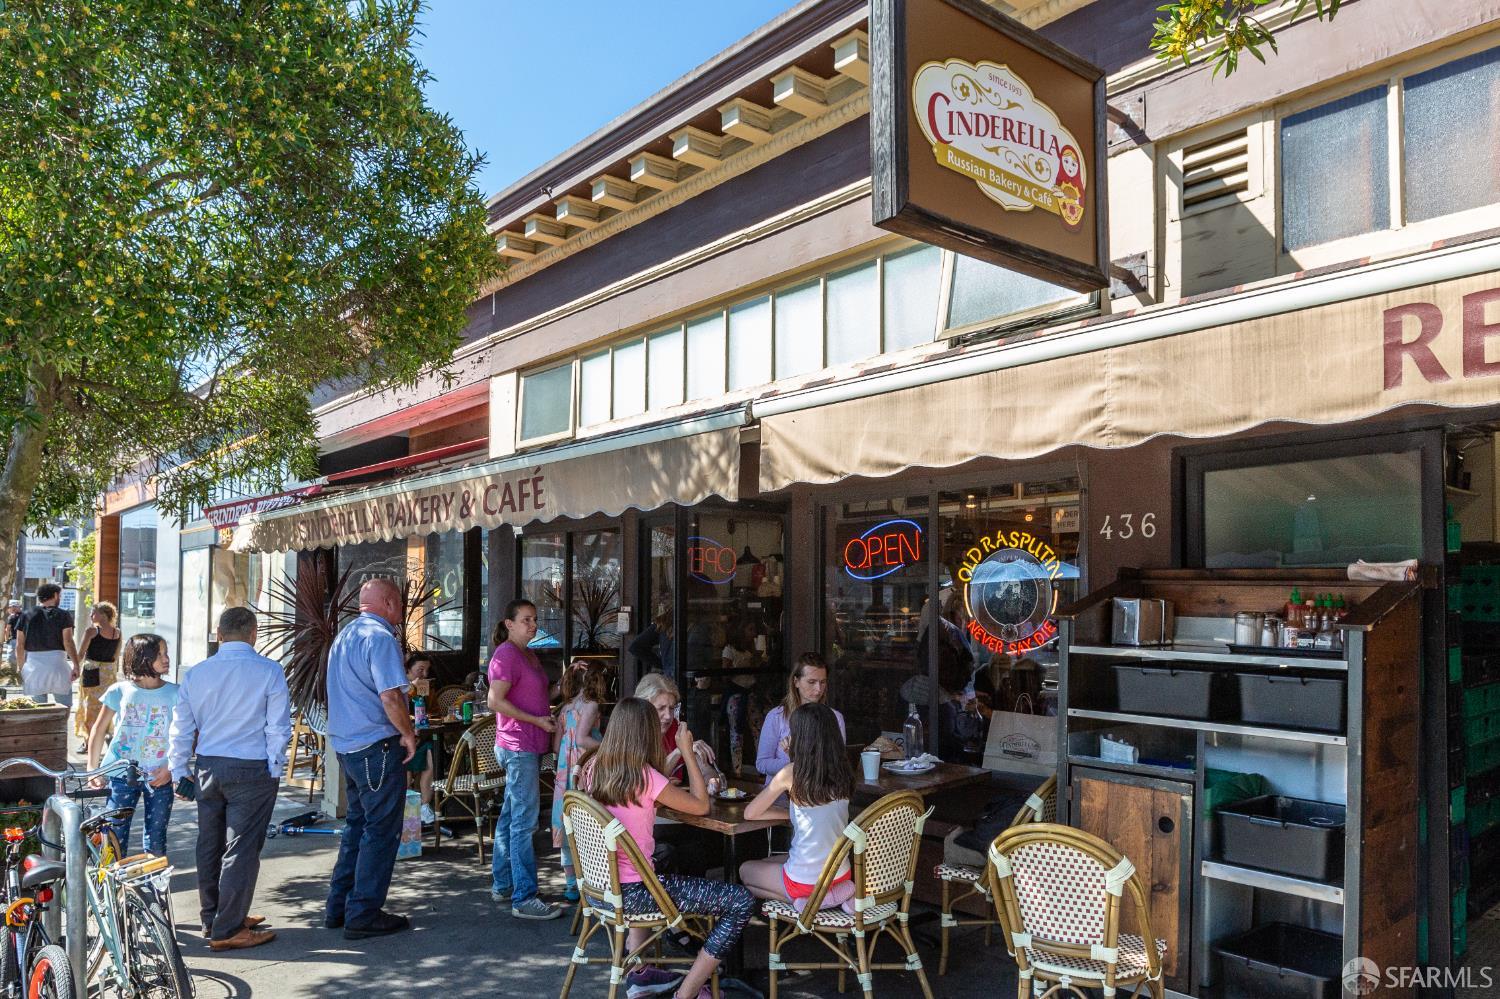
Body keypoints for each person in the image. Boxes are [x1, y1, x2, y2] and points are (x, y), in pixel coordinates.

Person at [581, 697, 754, 999]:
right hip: (637, 894)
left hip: (601, 892)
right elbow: (700, 805)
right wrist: (686, 751)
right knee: (739, 901)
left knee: (660, 859)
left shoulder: (596, 769)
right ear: (647, 734)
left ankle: (640, 974)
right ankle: (686, 992)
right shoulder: (645, 777)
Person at [166, 607, 289, 951]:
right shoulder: (269, 671)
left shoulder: (196, 674)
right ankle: (229, 927)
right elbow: (278, 727)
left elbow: (181, 727)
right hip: (252, 767)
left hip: (208, 765)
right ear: (254, 634)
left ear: (218, 634)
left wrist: (179, 770)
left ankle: (214, 918)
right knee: (242, 847)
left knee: (210, 842)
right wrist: (275, 767)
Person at [323, 578, 417, 939]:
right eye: (401, 604)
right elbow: (390, 696)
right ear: (391, 603)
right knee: (380, 830)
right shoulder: (380, 638)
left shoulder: (346, 635)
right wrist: (408, 734)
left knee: (358, 826)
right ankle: (363, 911)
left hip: (347, 744)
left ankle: (340, 905)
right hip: (374, 745)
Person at [739, 703, 856, 913]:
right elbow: (813, 807)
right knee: (768, 861)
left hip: (806, 881)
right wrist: (792, 814)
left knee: (745, 871)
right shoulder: (844, 772)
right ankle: (829, 895)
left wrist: (790, 761)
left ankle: (809, 900)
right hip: (840, 874)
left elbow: (751, 813)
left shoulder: (791, 773)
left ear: (801, 737)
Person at [487, 598, 561, 920]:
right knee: (524, 822)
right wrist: (536, 721)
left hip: (526, 744)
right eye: (527, 620)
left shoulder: (528, 654)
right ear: (510, 624)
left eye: (535, 619)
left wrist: (568, 679)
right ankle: (524, 897)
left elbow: (543, 697)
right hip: (518, 746)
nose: (533, 625)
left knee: (510, 817)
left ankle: (504, 884)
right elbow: (494, 701)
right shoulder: (506, 654)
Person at [87, 634, 178, 856]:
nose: (166, 659)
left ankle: (153, 888)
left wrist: (170, 767)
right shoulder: (119, 691)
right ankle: (113, 887)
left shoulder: (177, 692)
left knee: (156, 838)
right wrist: (93, 768)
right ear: (142, 657)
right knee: (114, 838)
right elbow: (99, 730)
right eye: (160, 654)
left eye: (166, 653)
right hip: (121, 774)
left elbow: (186, 735)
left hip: (160, 775)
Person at [551, 659, 605, 903]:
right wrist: (610, 747)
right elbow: (583, 739)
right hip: (582, 769)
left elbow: (555, 745)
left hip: (564, 771)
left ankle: (571, 884)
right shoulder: (591, 706)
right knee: (588, 822)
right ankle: (591, 882)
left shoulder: (565, 708)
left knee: (567, 824)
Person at [755, 653, 846, 781]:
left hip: (818, 795)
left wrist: (800, 762)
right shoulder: (777, 716)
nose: (818, 689)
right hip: (780, 796)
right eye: (811, 682)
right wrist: (794, 764)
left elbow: (838, 764)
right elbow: (762, 764)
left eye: (823, 682)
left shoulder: (835, 718)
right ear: (796, 682)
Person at [635, 672, 716, 783]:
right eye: (661, 708)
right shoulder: (632, 735)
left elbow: (703, 767)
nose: (668, 716)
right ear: (644, 708)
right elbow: (646, 783)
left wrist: (711, 780)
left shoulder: (673, 727)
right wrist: (679, 751)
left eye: (672, 708)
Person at [16, 583, 79, 706]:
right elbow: (68, 642)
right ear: (55, 595)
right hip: (58, 664)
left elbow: (20, 644)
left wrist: (21, 667)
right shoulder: (63, 615)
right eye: (59, 596)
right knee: (64, 708)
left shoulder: (26, 615)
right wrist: (76, 665)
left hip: (34, 665)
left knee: (36, 710)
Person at [76, 602, 122, 750]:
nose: (91, 615)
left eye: (93, 612)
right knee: (107, 706)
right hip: (108, 675)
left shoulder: (92, 631)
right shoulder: (117, 632)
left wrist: (75, 668)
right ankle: (108, 736)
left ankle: (89, 743)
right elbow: (115, 656)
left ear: (102, 615)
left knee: (89, 707)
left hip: (92, 671)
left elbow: (81, 653)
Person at [404, 652, 438, 826]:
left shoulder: (425, 686)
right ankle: (407, 807)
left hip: (423, 735)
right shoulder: (400, 686)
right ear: (408, 669)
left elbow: (433, 711)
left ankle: (425, 806)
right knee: (405, 767)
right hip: (402, 737)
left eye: (427, 670)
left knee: (430, 757)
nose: (424, 675)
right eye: (420, 670)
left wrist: (425, 693)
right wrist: (411, 688)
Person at [628, 610, 676, 680]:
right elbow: (635, 647)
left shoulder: (665, 621)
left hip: (671, 675)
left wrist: (663, 664)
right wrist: (662, 664)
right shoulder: (666, 621)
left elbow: (635, 647)